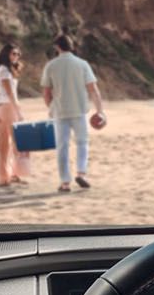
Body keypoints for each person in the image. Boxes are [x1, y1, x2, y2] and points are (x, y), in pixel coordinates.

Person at [41, 34, 106, 193]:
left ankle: (65, 183)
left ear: (57, 47)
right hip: (79, 110)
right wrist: (100, 111)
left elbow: (46, 92)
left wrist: (51, 107)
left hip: (60, 111)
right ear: (72, 46)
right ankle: (81, 173)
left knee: (62, 147)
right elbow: (93, 90)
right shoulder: (82, 64)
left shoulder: (51, 65)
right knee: (82, 142)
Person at [0, 44, 29, 187]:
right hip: (8, 107)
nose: (16, 56)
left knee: (3, 145)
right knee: (17, 143)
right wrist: (19, 111)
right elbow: (10, 93)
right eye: (13, 53)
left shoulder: (0, 69)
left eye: (18, 54)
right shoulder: (5, 70)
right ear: (6, 54)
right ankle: (14, 175)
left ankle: (3, 178)